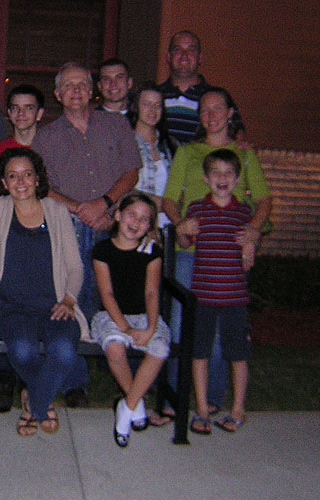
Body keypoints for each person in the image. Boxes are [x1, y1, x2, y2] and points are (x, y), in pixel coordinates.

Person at [154, 88, 271, 426]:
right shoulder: (188, 153)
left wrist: (252, 233)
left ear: (230, 113)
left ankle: (216, 403)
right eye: (204, 110)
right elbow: (170, 199)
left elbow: (262, 201)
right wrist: (180, 223)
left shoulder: (245, 156)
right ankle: (176, 400)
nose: (211, 115)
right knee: (182, 326)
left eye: (217, 108)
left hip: (229, 254)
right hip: (192, 252)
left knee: (225, 334)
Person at [33, 62, 142, 407]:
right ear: (57, 94)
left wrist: (104, 205)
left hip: (115, 224)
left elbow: (131, 172)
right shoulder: (46, 137)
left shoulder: (116, 124)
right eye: (68, 86)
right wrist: (81, 208)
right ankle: (75, 381)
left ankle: (134, 375)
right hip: (73, 224)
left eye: (82, 84)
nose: (76, 91)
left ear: (91, 89)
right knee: (76, 298)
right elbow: (41, 186)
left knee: (125, 297)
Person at [0, 148, 88, 435]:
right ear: (3, 183)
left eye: (27, 174)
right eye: (13, 176)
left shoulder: (55, 212)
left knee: (65, 350)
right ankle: (42, 403)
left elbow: (75, 267)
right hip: (12, 307)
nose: (21, 182)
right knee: (21, 349)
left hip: (54, 306)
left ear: (37, 178)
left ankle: (34, 402)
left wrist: (69, 299)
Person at [177, 149, 253, 434]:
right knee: (200, 352)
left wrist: (251, 246)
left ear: (236, 179)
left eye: (229, 173)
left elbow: (250, 252)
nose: (223, 178)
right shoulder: (197, 209)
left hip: (234, 297)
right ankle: (200, 409)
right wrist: (183, 229)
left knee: (237, 353)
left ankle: (237, 409)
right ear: (206, 178)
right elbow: (185, 243)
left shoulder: (245, 213)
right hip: (203, 297)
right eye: (216, 173)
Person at [91, 192, 170, 447]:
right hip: (112, 316)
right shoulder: (102, 250)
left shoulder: (152, 252)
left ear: (150, 226)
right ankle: (137, 403)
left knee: (159, 348)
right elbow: (107, 294)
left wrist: (150, 327)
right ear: (118, 215)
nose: (136, 222)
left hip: (144, 315)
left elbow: (151, 292)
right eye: (132, 215)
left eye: (145, 219)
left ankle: (127, 407)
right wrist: (124, 328)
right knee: (115, 346)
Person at [156, 30, 245, 148]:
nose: (184, 55)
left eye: (191, 50)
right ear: (168, 57)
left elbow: (238, 136)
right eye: (177, 49)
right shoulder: (154, 96)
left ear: (200, 58)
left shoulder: (216, 98)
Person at [128, 82, 175, 228]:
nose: (152, 110)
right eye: (146, 104)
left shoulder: (171, 145)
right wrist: (156, 203)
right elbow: (120, 188)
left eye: (157, 105)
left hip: (167, 225)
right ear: (136, 107)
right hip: (135, 225)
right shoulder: (125, 143)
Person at [0, 84, 45, 193]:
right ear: (9, 113)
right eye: (15, 108)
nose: (21, 113)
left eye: (28, 107)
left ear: (39, 114)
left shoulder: (49, 150)